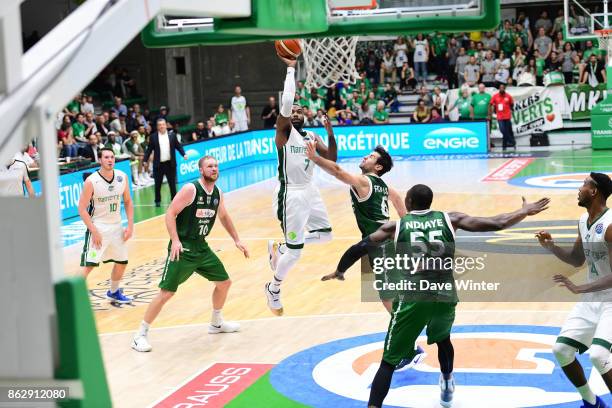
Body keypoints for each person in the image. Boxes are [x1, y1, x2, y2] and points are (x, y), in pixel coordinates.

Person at [331, 185, 549, 408]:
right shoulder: (451, 219)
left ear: (408, 203)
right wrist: (523, 211)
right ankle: (447, 380)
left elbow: (360, 247)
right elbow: (498, 222)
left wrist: (340, 270)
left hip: (413, 298)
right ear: (430, 202)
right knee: (443, 340)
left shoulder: (395, 227)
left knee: (388, 362)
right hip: (445, 295)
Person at [132, 156, 249, 352]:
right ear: (201, 171)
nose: (214, 169)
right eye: (209, 166)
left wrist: (237, 239)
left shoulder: (218, 193)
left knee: (224, 283)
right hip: (183, 247)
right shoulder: (190, 189)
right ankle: (140, 335)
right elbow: (170, 213)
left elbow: (224, 216)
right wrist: (175, 240)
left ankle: (216, 323)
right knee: (166, 292)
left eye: (216, 166)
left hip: (201, 247)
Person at [265, 56, 337, 316]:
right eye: (292, 111)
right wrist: (290, 68)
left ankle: (281, 247)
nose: (295, 113)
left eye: (299, 111)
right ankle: (273, 288)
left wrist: (329, 134)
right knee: (296, 254)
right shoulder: (284, 133)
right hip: (290, 194)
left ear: (305, 116)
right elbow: (285, 102)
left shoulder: (312, 136)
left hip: (310, 190)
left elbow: (331, 159)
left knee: (326, 234)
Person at [536, 173, 612, 408]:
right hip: (591, 299)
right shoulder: (582, 220)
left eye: (583, 185)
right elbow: (577, 259)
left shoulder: (610, 227)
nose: (579, 189)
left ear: (594, 191)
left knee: (598, 356)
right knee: (561, 350)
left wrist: (580, 287)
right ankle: (591, 401)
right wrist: (552, 247)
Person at [78, 148, 134, 304]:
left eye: (112, 157)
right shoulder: (92, 181)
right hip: (99, 229)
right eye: (106, 157)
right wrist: (94, 231)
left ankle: (114, 292)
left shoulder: (122, 177)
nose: (110, 160)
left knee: (122, 262)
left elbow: (128, 202)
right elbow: (81, 208)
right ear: (100, 160)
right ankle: (72, 297)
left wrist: (130, 225)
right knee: (89, 264)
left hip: (116, 227)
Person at [144, 118, 187, 208]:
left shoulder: (172, 135)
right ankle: (157, 201)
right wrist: (145, 160)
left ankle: (174, 200)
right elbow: (149, 150)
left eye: (163, 124)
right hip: (158, 165)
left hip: (170, 164)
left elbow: (178, 146)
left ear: (166, 125)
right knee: (158, 185)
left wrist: (184, 154)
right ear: (157, 127)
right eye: (159, 125)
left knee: (172, 184)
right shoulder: (153, 137)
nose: (161, 126)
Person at [489, 84, 515, 149]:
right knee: (502, 130)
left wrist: (511, 109)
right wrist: (492, 110)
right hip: (500, 116)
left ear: (504, 89)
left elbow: (512, 104)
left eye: (503, 88)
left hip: (507, 116)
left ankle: (504, 145)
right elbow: (491, 104)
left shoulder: (508, 96)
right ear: (499, 89)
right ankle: (511, 141)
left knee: (506, 131)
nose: (501, 89)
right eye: (500, 88)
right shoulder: (495, 96)